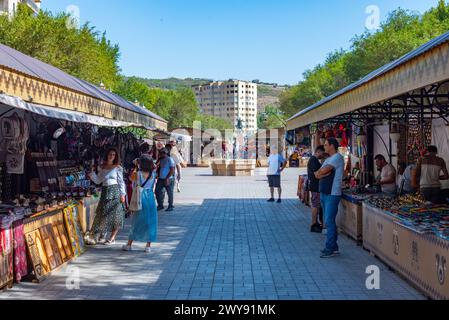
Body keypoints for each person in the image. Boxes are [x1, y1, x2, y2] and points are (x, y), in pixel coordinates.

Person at [87, 148, 126, 245]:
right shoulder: (102, 167)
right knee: (103, 214)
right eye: (110, 154)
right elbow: (98, 181)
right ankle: (101, 235)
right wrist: (92, 174)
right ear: (107, 155)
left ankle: (112, 237)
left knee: (116, 215)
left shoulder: (118, 167)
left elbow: (121, 182)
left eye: (113, 154)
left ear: (115, 156)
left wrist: (123, 194)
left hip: (115, 191)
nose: (111, 156)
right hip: (105, 192)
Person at [314, 138, 344, 258]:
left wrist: (321, 173)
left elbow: (323, 171)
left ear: (332, 146)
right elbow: (317, 174)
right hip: (325, 192)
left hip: (332, 193)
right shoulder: (328, 159)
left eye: (326, 145)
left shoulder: (337, 157)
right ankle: (334, 246)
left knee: (328, 221)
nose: (324, 147)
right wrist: (321, 173)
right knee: (329, 221)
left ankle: (329, 248)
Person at [122, 155, 158, 253]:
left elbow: (130, 178)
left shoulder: (138, 174)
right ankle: (148, 246)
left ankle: (129, 244)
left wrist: (136, 166)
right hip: (150, 197)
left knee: (136, 221)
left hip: (140, 197)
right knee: (150, 221)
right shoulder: (153, 174)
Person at [307, 145, 325, 233]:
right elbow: (316, 174)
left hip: (315, 186)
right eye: (322, 152)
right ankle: (313, 224)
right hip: (315, 186)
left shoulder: (314, 160)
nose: (322, 154)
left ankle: (316, 223)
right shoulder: (313, 160)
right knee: (315, 205)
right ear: (318, 151)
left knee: (316, 205)